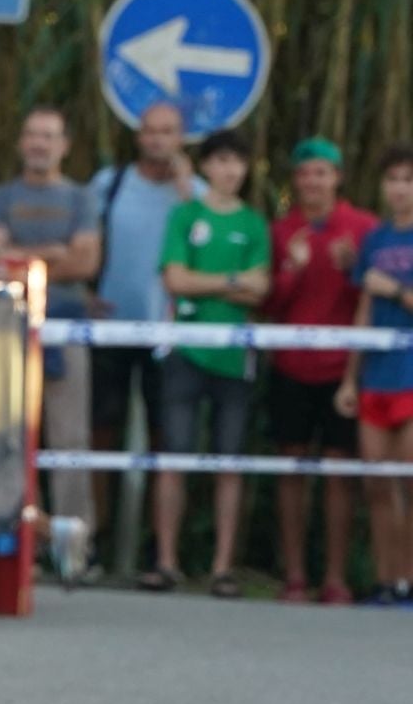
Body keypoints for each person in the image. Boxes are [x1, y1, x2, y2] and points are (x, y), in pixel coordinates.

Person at [147, 129, 269, 596]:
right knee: (173, 457)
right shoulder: (185, 214)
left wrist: (211, 282)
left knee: (229, 462)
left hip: (234, 357)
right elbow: (176, 279)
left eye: (237, 162)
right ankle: (167, 562)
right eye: (220, 161)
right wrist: (233, 281)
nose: (229, 170)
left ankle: (222, 568)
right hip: (185, 350)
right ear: (206, 167)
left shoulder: (254, 224)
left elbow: (261, 289)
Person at [0, 107, 99, 542]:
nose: (39, 143)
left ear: (64, 145)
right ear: (20, 142)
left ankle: (75, 545)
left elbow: (86, 262)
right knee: (4, 436)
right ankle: (10, 534)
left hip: (67, 327)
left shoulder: (81, 199)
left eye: (48, 136)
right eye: (32, 134)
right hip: (7, 329)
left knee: (70, 438)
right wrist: (55, 252)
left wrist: (19, 256)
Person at [265, 137, 373, 603]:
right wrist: (291, 270)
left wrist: (352, 270)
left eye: (321, 172)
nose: (312, 181)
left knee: (339, 473)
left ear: (337, 177)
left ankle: (335, 578)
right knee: (290, 469)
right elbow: (269, 304)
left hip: (343, 368)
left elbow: (374, 301)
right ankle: (293, 575)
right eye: (304, 173)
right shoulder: (281, 230)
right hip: (290, 364)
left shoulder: (363, 228)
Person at [88, 101, 193, 561]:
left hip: (168, 333)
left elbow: (204, 246)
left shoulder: (197, 193)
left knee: (164, 438)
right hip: (109, 327)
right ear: (138, 136)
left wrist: (187, 192)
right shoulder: (108, 184)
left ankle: (158, 547)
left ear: (182, 137)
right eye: (150, 131)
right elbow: (85, 242)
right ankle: (95, 537)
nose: (157, 140)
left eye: (167, 131)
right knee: (99, 433)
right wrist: (85, 292)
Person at [336, 145, 413, 604]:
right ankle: (386, 580)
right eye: (393, 179)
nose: (400, 189)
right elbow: (363, 310)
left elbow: (387, 292)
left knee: (410, 480)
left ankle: (409, 579)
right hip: (376, 378)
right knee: (377, 485)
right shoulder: (375, 240)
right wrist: (350, 378)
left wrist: (398, 290)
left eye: (408, 179)